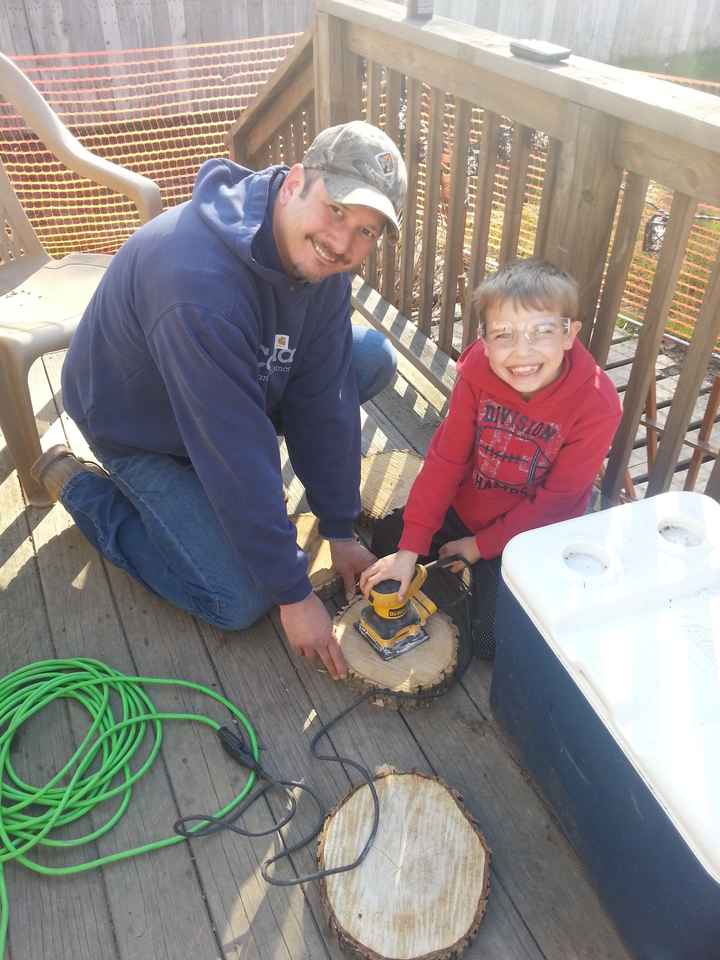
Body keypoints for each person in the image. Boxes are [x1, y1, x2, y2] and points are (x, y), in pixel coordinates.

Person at [31, 120, 408, 679]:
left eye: (366, 231)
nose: (343, 243)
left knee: (369, 358)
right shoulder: (197, 287)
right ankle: (84, 489)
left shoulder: (323, 263)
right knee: (236, 600)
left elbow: (323, 393)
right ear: (294, 182)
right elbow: (232, 450)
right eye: (336, 210)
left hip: (237, 379)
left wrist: (338, 528)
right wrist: (292, 591)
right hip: (138, 423)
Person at [359, 258, 622, 657]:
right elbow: (445, 460)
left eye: (542, 332)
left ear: (570, 334)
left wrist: (480, 547)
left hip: (531, 532)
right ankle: (452, 578)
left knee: (489, 643)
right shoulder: (477, 374)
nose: (522, 352)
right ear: (483, 338)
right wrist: (411, 547)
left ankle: (468, 582)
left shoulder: (597, 404)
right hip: (467, 509)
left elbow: (557, 503)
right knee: (389, 541)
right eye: (504, 334)